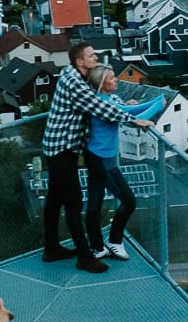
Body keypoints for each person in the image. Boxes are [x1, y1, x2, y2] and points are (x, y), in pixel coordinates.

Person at [40, 40, 144, 272]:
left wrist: (124, 106)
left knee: (55, 200)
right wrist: (133, 120)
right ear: (79, 62)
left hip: (60, 147)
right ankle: (85, 257)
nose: (95, 58)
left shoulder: (73, 75)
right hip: (62, 149)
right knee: (74, 202)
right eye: (91, 56)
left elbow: (104, 99)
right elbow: (99, 106)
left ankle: (51, 248)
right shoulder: (75, 82)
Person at [84, 68, 168, 257]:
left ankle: (97, 247)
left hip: (98, 156)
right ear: (101, 85)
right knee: (129, 201)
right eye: (112, 78)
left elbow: (129, 109)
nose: (117, 80)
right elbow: (135, 118)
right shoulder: (101, 104)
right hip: (101, 160)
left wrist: (154, 101)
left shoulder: (106, 100)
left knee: (95, 203)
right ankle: (114, 241)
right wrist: (158, 105)